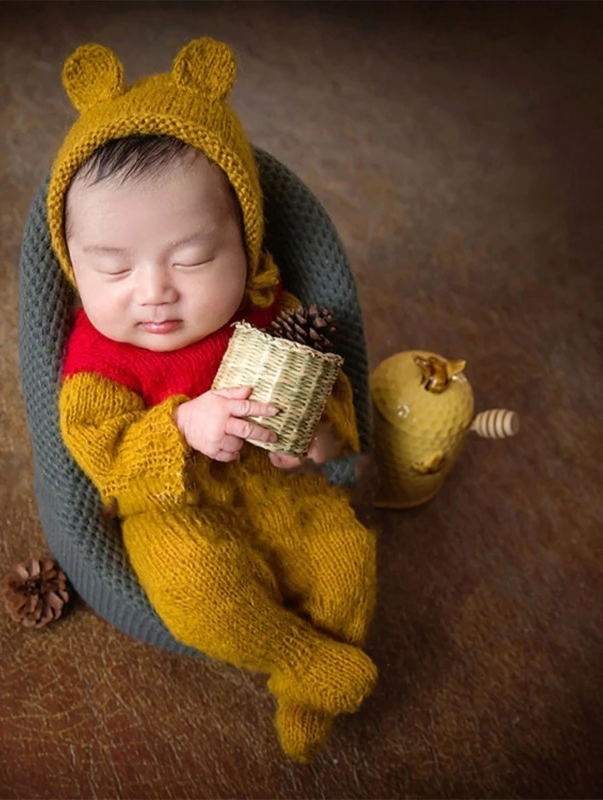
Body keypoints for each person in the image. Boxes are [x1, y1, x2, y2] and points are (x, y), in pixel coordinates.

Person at [48, 36, 377, 762]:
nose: (155, 290)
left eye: (193, 258)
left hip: (280, 492)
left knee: (348, 558)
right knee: (198, 586)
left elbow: (335, 399)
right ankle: (297, 659)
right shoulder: (98, 361)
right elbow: (105, 459)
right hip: (178, 512)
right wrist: (181, 427)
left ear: (246, 240)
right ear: (76, 269)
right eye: (113, 267)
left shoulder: (268, 309)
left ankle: (312, 682)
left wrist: (317, 438)